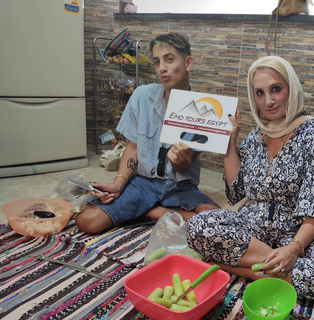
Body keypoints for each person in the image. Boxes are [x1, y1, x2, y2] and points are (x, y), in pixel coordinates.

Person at [186, 56, 314, 300]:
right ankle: (275, 268)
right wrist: (230, 143)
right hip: (254, 228)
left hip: (301, 237)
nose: (268, 101)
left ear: (291, 88)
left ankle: (241, 269)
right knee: (199, 226)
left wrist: (293, 250)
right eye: (259, 93)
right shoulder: (255, 137)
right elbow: (236, 192)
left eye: (276, 89)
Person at [76, 33, 219, 234]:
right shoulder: (141, 96)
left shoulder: (203, 110)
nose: (162, 68)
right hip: (143, 183)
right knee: (87, 220)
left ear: (188, 63)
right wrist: (118, 184)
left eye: (169, 59)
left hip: (180, 187)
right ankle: (150, 210)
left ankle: (151, 211)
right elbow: (132, 147)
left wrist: (179, 159)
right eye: (157, 62)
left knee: (216, 222)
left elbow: (186, 164)